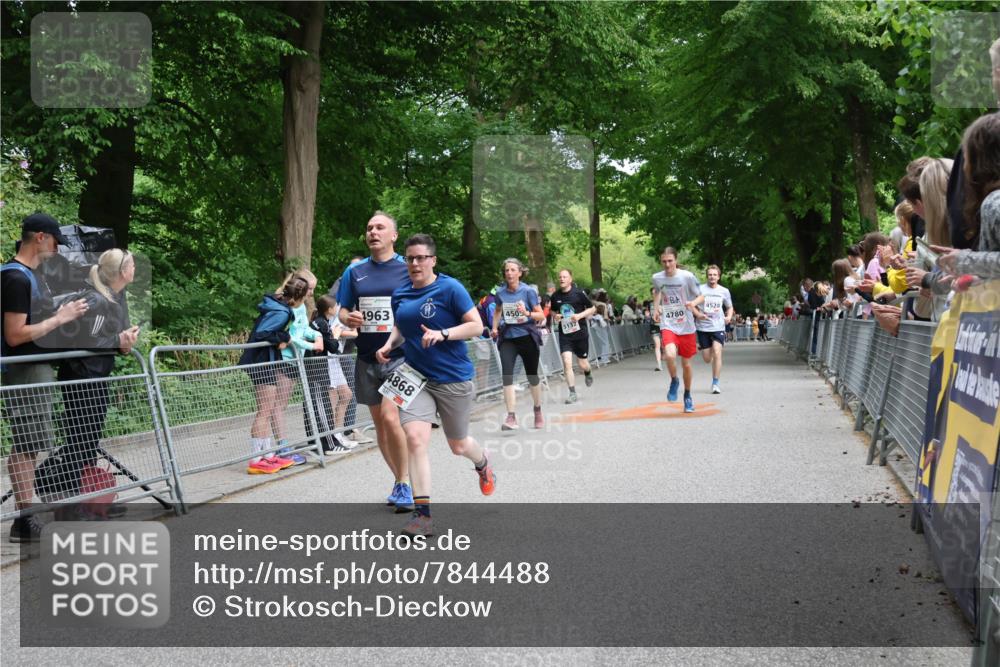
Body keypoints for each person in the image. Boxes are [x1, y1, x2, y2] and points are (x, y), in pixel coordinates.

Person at [374, 234, 495, 537]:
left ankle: (482, 463)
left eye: (421, 258)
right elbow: (403, 325)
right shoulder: (400, 293)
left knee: (458, 445)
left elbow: (476, 326)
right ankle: (422, 515)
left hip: (453, 377)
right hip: (415, 375)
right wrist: (389, 344)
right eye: (410, 258)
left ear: (432, 260)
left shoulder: (449, 288)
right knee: (415, 439)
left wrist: (443, 334)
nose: (415, 263)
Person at [2, 213, 89, 542]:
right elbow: (14, 335)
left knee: (31, 443)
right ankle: (24, 520)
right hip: (24, 369)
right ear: (40, 237)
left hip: (34, 368)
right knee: (26, 445)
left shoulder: (29, 276)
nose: (56, 249)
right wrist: (60, 318)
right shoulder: (16, 278)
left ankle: (27, 515)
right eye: (55, 242)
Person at [50, 249, 139, 516]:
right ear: (123, 272)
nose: (136, 269)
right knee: (79, 439)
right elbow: (85, 339)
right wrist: (116, 342)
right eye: (132, 265)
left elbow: (110, 338)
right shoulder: (95, 300)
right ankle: (70, 505)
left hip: (96, 375)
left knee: (89, 439)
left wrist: (124, 343)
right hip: (81, 377)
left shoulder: (115, 297)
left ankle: (92, 500)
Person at [337, 212, 412, 511]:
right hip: (366, 357)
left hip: (400, 357)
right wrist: (349, 317)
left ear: (394, 235)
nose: (373, 232)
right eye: (369, 228)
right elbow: (342, 310)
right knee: (380, 426)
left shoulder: (407, 269)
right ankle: (399, 480)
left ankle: (406, 482)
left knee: (393, 418)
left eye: (380, 227)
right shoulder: (354, 273)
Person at [237, 273, 310, 474]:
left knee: (267, 410)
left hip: (266, 360)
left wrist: (281, 337)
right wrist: (284, 336)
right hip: (262, 362)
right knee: (264, 410)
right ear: (300, 297)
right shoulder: (282, 312)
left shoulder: (278, 305)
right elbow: (262, 333)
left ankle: (267, 455)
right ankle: (255, 459)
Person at [492, 257, 546, 429]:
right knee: (507, 375)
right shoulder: (500, 293)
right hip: (509, 338)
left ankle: (537, 410)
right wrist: (494, 327)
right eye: (507, 270)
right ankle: (511, 417)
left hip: (527, 337)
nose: (509, 273)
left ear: (520, 273)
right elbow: (498, 310)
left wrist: (527, 313)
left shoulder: (528, 291)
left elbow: (541, 315)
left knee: (532, 376)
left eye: (513, 270)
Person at [651, 247, 705, 413]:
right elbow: (657, 291)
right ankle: (674, 380)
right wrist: (656, 308)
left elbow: (701, 296)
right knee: (670, 354)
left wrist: (693, 304)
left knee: (687, 365)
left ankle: (687, 396)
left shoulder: (686, 276)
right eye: (664, 261)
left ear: (675, 260)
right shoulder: (657, 277)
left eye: (670, 261)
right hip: (669, 323)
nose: (667, 265)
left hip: (687, 325)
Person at [326, 256, 371, 445]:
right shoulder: (343, 284)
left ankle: (342, 431)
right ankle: (343, 431)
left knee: (345, 391)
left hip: (348, 347)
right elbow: (336, 316)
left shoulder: (365, 281)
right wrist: (354, 329)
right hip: (338, 350)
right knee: (344, 390)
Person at [309, 295, 356, 452]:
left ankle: (338, 432)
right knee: (330, 401)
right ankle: (331, 440)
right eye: (336, 306)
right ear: (330, 309)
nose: (338, 308)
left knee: (346, 395)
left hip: (334, 362)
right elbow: (332, 346)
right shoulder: (321, 323)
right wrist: (335, 334)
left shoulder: (326, 322)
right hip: (325, 365)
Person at [549, 268, 596, 404]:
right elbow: (552, 311)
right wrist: (555, 316)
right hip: (565, 334)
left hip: (580, 333)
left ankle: (588, 372)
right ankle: (572, 393)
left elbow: (592, 308)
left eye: (565, 277)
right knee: (567, 362)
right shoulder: (555, 296)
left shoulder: (579, 293)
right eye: (560, 277)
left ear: (570, 279)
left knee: (582, 364)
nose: (562, 279)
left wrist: (579, 315)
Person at [695, 265, 733, 393]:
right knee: (707, 359)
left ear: (719, 276)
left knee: (717, 352)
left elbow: (729, 307)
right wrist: (698, 314)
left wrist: (729, 316)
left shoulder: (724, 291)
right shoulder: (699, 289)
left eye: (714, 275)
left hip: (718, 326)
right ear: (707, 276)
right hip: (703, 327)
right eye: (710, 274)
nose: (712, 277)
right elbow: (692, 305)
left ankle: (715, 383)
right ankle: (708, 352)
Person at [648, 287, 663, 370]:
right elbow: (647, 313)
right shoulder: (649, 304)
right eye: (653, 293)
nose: (654, 295)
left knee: (665, 346)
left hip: (664, 326)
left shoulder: (664, 302)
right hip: (654, 326)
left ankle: (665, 356)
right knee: (657, 345)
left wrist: (661, 312)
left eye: (656, 293)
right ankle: (659, 364)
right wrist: (647, 314)